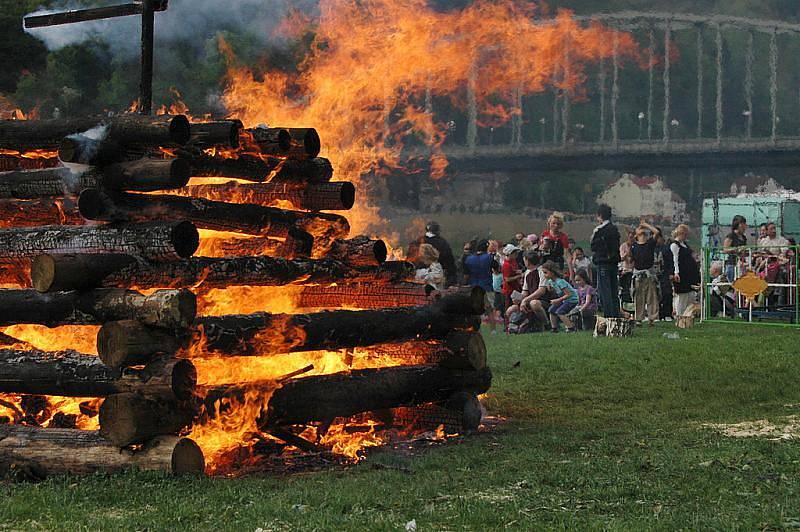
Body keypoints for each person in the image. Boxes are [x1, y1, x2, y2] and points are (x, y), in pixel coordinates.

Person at [590, 204, 622, 318]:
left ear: (599, 216)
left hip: (603, 262)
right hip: (614, 263)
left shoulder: (599, 230)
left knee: (605, 292)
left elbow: (593, 246)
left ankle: (609, 317)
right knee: (614, 292)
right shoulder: (614, 229)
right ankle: (616, 316)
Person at [630, 221, 660, 326]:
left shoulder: (650, 243)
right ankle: (639, 318)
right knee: (639, 297)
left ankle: (652, 317)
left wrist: (646, 225)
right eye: (639, 229)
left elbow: (656, 232)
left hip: (649, 273)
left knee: (651, 297)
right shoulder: (634, 246)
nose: (641, 229)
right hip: (638, 274)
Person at [410, 221, 457, 287]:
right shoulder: (442, 242)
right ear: (438, 231)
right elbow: (449, 261)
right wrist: (452, 277)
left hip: (418, 278)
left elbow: (410, 259)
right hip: (438, 275)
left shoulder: (417, 241)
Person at [671, 224, 701, 317]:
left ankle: (688, 315)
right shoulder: (674, 245)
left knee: (690, 295)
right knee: (682, 297)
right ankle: (679, 315)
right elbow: (675, 260)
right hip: (682, 274)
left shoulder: (685, 245)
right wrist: (676, 272)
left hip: (690, 274)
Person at [541, 260, 579, 333]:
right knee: (551, 310)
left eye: (545, 273)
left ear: (552, 272)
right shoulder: (551, 281)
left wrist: (558, 300)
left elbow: (569, 294)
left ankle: (571, 328)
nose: (544, 275)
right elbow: (552, 290)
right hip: (564, 300)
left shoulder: (560, 282)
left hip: (571, 300)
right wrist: (550, 288)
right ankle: (554, 328)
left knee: (560, 312)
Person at [464, 239, 495, 313]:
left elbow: (466, 275)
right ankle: (492, 324)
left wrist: (465, 284)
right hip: (487, 286)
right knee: (489, 309)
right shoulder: (489, 258)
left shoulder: (468, 259)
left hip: (473, 286)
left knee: (474, 307)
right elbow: (496, 269)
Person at [654, 228, 674, 322]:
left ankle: (667, 313)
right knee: (654, 296)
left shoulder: (666, 248)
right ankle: (657, 314)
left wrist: (671, 273)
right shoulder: (651, 247)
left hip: (665, 274)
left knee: (667, 294)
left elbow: (671, 262)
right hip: (653, 275)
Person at [723, 215, 748, 281]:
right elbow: (725, 249)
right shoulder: (731, 236)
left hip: (742, 263)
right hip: (732, 263)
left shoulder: (744, 237)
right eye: (742, 224)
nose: (744, 227)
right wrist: (736, 249)